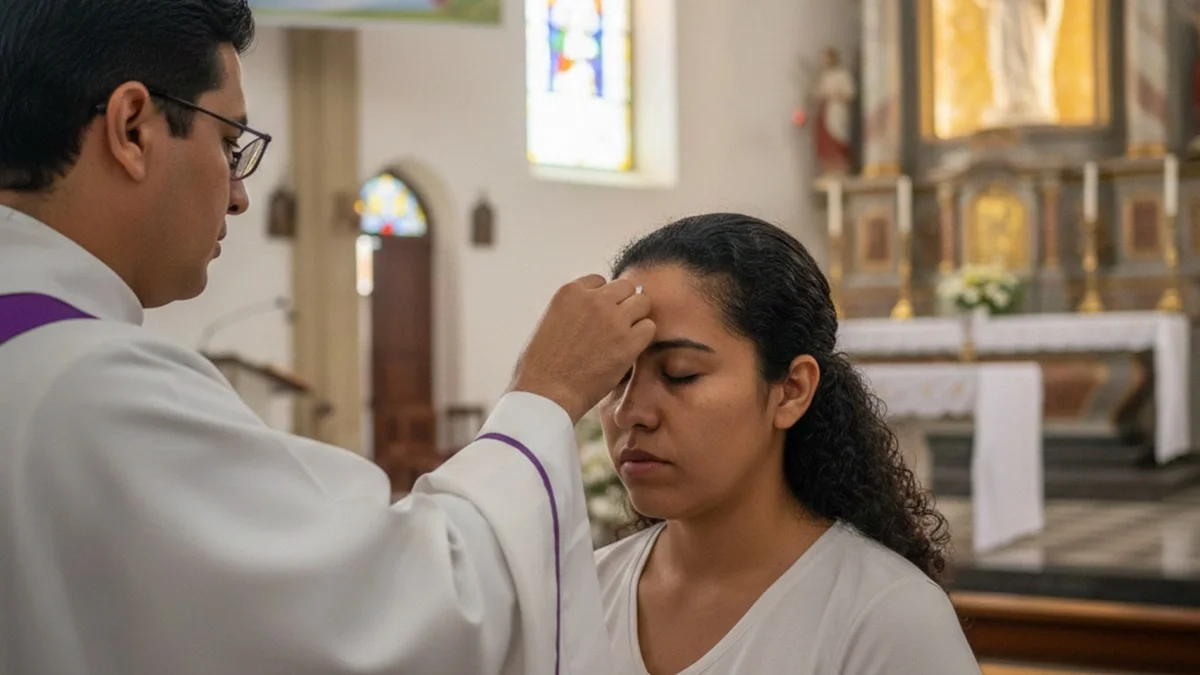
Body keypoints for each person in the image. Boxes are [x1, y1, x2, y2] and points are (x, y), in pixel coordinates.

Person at [0, 1, 653, 673]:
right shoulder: (95, 390)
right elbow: (416, 611)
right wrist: (545, 394)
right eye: (229, 144)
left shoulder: (37, 359)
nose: (238, 196)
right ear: (132, 128)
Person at [594, 214, 981, 674]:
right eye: (617, 375)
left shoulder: (887, 617)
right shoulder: (582, 592)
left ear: (792, 390)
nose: (629, 412)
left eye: (680, 373)